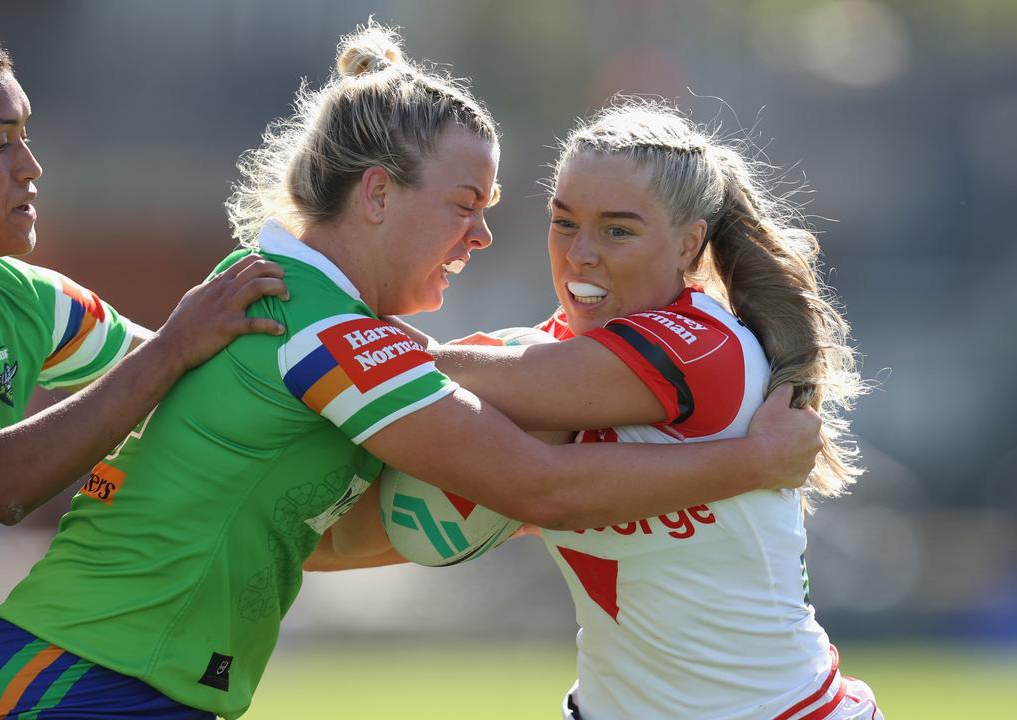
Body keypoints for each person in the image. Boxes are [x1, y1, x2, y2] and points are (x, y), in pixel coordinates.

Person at [0, 23, 822, 720]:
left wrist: (486, 499)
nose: (480, 238)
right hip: (82, 682)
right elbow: (541, 487)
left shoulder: (283, 300)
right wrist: (753, 464)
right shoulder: (330, 337)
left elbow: (323, 536)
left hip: (105, 675)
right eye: (465, 207)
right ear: (375, 196)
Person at [314, 98, 882, 719]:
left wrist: (316, 330)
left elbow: (522, 455)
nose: (579, 253)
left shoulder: (704, 346)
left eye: (618, 229)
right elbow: (384, 531)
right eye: (563, 222)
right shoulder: (545, 358)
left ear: (689, 245)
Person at [0, 11, 290, 682]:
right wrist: (172, 347)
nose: (31, 166)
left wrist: (440, 382)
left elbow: (209, 373)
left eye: (26, 136)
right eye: (0, 143)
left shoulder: (26, 304)